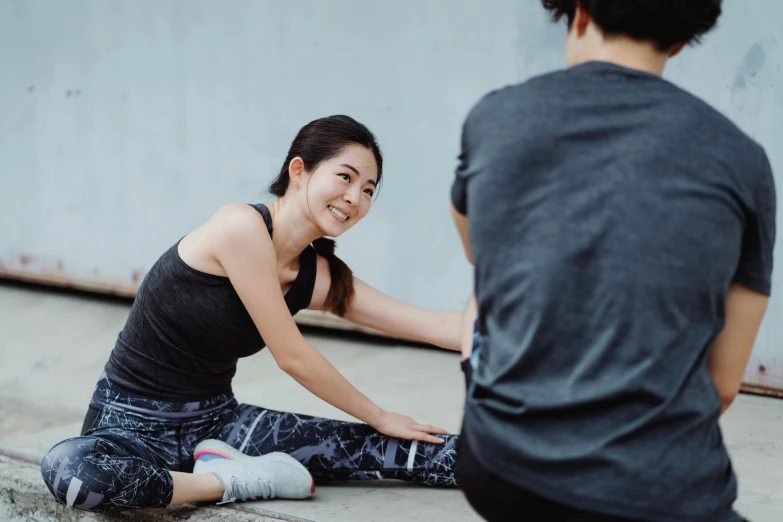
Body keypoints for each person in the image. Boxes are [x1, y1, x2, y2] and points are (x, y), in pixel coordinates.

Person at [450, 1, 776, 521]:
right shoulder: (742, 160)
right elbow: (723, 384)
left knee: (478, 300)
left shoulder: (495, 116)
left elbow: (481, 252)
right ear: (677, 42)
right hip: (661, 496)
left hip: (499, 470)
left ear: (579, 14)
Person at [40, 115, 463, 513]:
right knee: (70, 471)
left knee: (427, 452)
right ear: (299, 171)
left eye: (369, 189)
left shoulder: (313, 275)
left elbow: (431, 325)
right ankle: (232, 481)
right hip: (129, 425)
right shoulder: (239, 227)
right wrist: (380, 415)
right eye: (345, 177)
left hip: (219, 426)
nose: (355, 198)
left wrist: (517, 324)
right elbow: (293, 357)